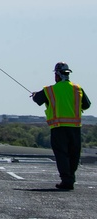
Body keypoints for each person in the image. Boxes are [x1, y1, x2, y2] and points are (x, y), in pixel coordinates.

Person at [32, 62, 91, 190]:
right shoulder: (77, 89)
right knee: (74, 153)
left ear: (57, 75)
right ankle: (71, 178)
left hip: (58, 128)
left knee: (62, 154)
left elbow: (37, 100)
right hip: (75, 128)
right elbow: (86, 105)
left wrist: (35, 94)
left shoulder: (50, 90)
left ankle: (66, 180)